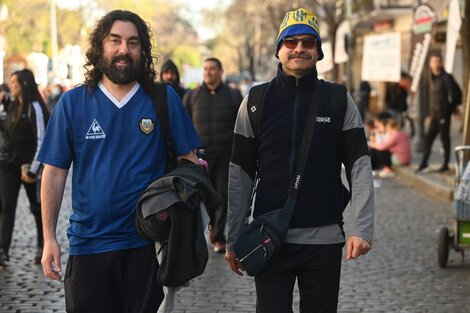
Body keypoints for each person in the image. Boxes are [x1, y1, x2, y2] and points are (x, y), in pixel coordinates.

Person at [37, 10, 201, 312]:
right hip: (88, 246)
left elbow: (189, 165)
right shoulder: (73, 103)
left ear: (143, 50)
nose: (124, 49)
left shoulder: (163, 99)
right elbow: (55, 172)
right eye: (115, 41)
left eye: (133, 42)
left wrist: (170, 207)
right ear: (100, 46)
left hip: (146, 248)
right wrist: (49, 237)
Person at [225, 8, 374, 313]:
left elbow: (359, 166)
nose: (299, 49)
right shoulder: (255, 101)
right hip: (269, 239)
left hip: (324, 241)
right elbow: (240, 173)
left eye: (308, 42)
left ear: (318, 52)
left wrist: (361, 227)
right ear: (278, 50)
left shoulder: (337, 99)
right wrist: (232, 236)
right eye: (290, 42)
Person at [183, 57, 242, 253]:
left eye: (212, 69)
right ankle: (194, 237)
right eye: (205, 69)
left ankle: (217, 237)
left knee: (221, 197)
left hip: (226, 156)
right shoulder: (193, 96)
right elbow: (183, 125)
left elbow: (242, 126)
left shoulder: (233, 96)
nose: (208, 72)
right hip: (199, 158)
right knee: (196, 199)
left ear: (220, 72)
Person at [0, 69, 49, 266]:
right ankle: (3, 250)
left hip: (29, 165)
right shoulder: (11, 105)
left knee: (37, 208)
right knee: (6, 206)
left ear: (24, 85)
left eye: (14, 83)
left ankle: (42, 245)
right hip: (9, 165)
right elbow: (3, 126)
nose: (11, 86)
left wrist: (33, 170)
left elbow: (41, 139)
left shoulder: (35, 107)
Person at [416, 52, 462, 173]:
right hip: (434, 114)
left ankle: (445, 165)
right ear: (430, 64)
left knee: (444, 138)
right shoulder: (430, 77)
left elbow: (458, 94)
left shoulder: (447, 77)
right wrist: (430, 113)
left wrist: (451, 108)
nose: (436, 64)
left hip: (443, 114)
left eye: (438, 61)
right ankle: (423, 163)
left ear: (441, 62)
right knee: (428, 138)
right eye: (433, 62)